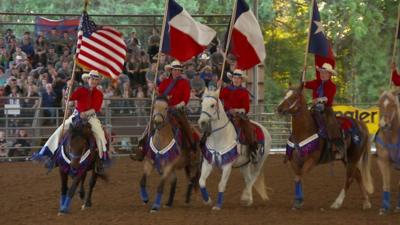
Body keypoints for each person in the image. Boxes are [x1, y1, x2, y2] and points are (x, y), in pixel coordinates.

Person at [38, 70, 107, 174]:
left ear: (97, 82)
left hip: (91, 118)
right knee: (60, 130)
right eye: (91, 79)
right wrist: (69, 87)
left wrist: (86, 113)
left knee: (100, 135)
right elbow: (68, 98)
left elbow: (96, 108)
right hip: (76, 115)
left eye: (95, 80)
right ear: (87, 80)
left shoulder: (99, 94)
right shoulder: (80, 90)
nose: (93, 81)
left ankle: (100, 160)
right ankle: (51, 155)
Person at [133, 60, 194, 161]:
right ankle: (142, 147)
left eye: (179, 70)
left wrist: (178, 105)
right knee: (150, 125)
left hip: (177, 110)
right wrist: (154, 90)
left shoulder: (184, 83)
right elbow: (160, 94)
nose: (177, 72)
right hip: (163, 110)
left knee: (185, 126)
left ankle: (191, 148)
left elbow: (186, 98)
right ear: (171, 70)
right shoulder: (165, 82)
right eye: (175, 70)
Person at [304, 63, 344, 159]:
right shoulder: (316, 82)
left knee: (331, 123)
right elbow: (305, 84)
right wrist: (303, 76)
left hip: (326, 109)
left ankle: (336, 146)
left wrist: (318, 99)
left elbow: (328, 98)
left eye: (325, 73)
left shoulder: (332, 86)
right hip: (315, 108)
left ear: (329, 74)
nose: (322, 74)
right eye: (321, 72)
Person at [219, 69, 258, 163]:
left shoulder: (244, 92)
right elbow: (218, 98)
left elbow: (246, 108)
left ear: (241, 80)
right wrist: (218, 87)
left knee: (249, 129)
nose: (236, 80)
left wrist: (237, 110)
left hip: (239, 116)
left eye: (238, 78)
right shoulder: (225, 89)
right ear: (232, 79)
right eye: (234, 78)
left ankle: (252, 151)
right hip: (225, 114)